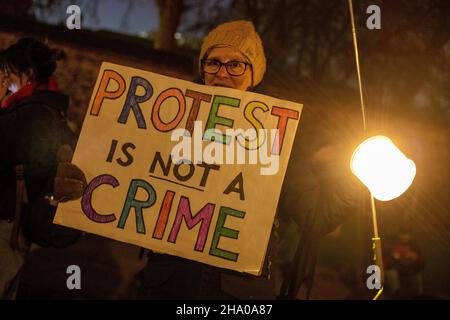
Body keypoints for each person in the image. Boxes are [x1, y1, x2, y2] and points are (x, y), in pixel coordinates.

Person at [135, 20, 358, 300]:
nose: (223, 73)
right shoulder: (169, 119)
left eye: (236, 64)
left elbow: (315, 217)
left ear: (254, 74)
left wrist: (356, 181)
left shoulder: (276, 136)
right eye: (213, 63)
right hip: (169, 284)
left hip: (241, 293)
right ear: (203, 69)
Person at [0, 37, 84, 299]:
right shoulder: (46, 111)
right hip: (14, 233)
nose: (3, 82)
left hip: (5, 230)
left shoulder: (31, 116)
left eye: (7, 75)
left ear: (28, 75)